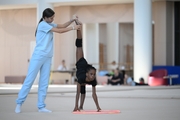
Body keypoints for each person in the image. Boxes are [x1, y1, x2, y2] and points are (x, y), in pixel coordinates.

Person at [15, 8, 81, 113]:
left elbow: (62, 26)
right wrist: (73, 27)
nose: (52, 19)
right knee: (30, 80)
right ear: (45, 18)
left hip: (47, 57)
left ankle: (41, 106)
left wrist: (72, 20)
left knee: (44, 82)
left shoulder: (50, 23)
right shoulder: (43, 25)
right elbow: (60, 31)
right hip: (38, 56)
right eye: (51, 18)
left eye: (53, 17)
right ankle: (19, 103)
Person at [73, 18, 101, 112]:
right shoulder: (81, 78)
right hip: (81, 62)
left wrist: (98, 107)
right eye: (91, 74)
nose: (93, 76)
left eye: (94, 74)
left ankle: (81, 106)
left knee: (83, 90)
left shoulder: (93, 80)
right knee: (79, 44)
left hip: (83, 68)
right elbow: (77, 93)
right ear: (87, 74)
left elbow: (94, 94)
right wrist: (75, 106)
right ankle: (78, 26)